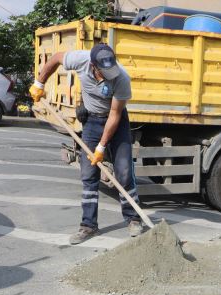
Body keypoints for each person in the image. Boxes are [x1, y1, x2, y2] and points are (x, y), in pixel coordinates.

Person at [30, 44, 143, 244]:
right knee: (89, 175)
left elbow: (115, 115)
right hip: (91, 121)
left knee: (124, 173)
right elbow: (56, 58)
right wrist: (40, 83)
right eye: (103, 71)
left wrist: (101, 147)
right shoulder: (80, 60)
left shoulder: (121, 78)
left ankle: (133, 219)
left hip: (115, 121)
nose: (108, 75)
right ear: (93, 66)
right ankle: (88, 226)